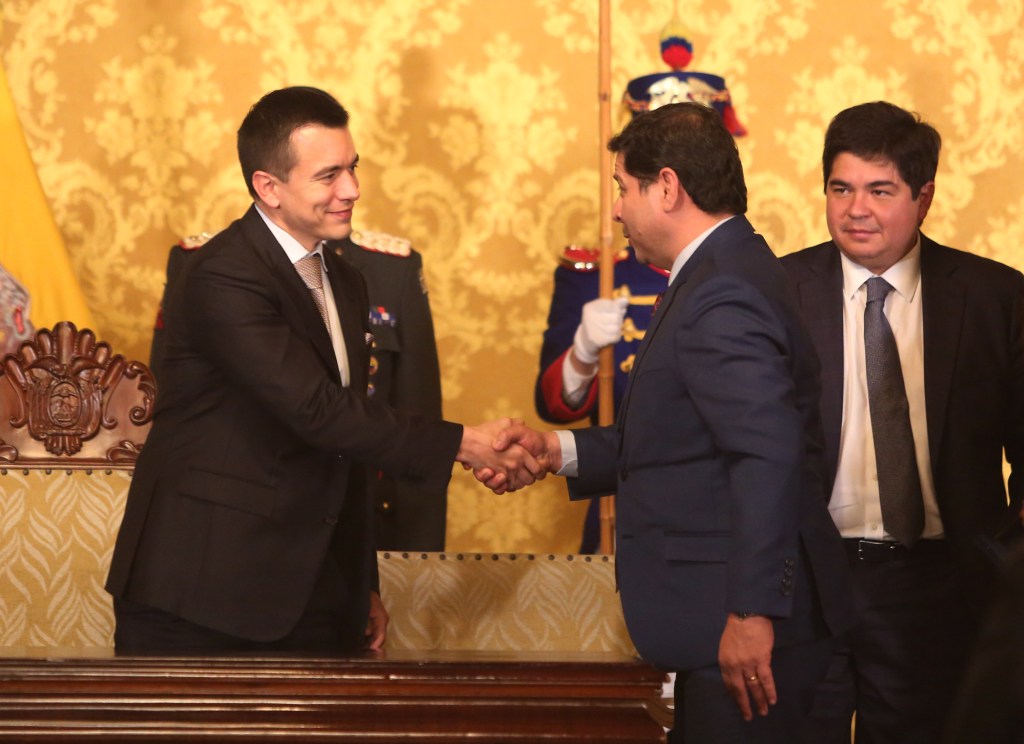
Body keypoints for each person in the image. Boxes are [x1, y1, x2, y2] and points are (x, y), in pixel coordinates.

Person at [105, 86, 540, 656]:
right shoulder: (222, 275)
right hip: (202, 593)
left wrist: (360, 585)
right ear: (269, 187)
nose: (352, 189)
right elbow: (316, 410)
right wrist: (467, 443)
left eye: (353, 168)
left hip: (315, 594)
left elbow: (346, 450)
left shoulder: (346, 281)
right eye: (329, 175)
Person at [485, 101, 855, 743]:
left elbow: (766, 456)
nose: (616, 210)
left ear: (667, 187)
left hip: (740, 632)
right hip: (716, 626)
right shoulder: (720, 272)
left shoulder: (721, 290)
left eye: (622, 188)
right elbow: (679, 440)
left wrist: (751, 612)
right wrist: (553, 450)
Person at [780, 100, 1024, 744]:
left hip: (940, 584)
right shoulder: (776, 292)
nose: (855, 209)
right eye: (841, 188)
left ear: (924, 197)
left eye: (880, 190)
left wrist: (1007, 564)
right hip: (807, 580)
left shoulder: (995, 298)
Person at [150, 227, 449, 552]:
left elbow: (417, 401)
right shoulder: (205, 264)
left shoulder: (391, 270)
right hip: (231, 530)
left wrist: (420, 555)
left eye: (352, 179)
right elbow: (169, 412)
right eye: (330, 179)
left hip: (350, 530)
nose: (349, 197)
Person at [534, 245, 667, 552]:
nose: (618, 218)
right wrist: (582, 354)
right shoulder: (597, 277)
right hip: (624, 509)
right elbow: (553, 405)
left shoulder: (741, 273)